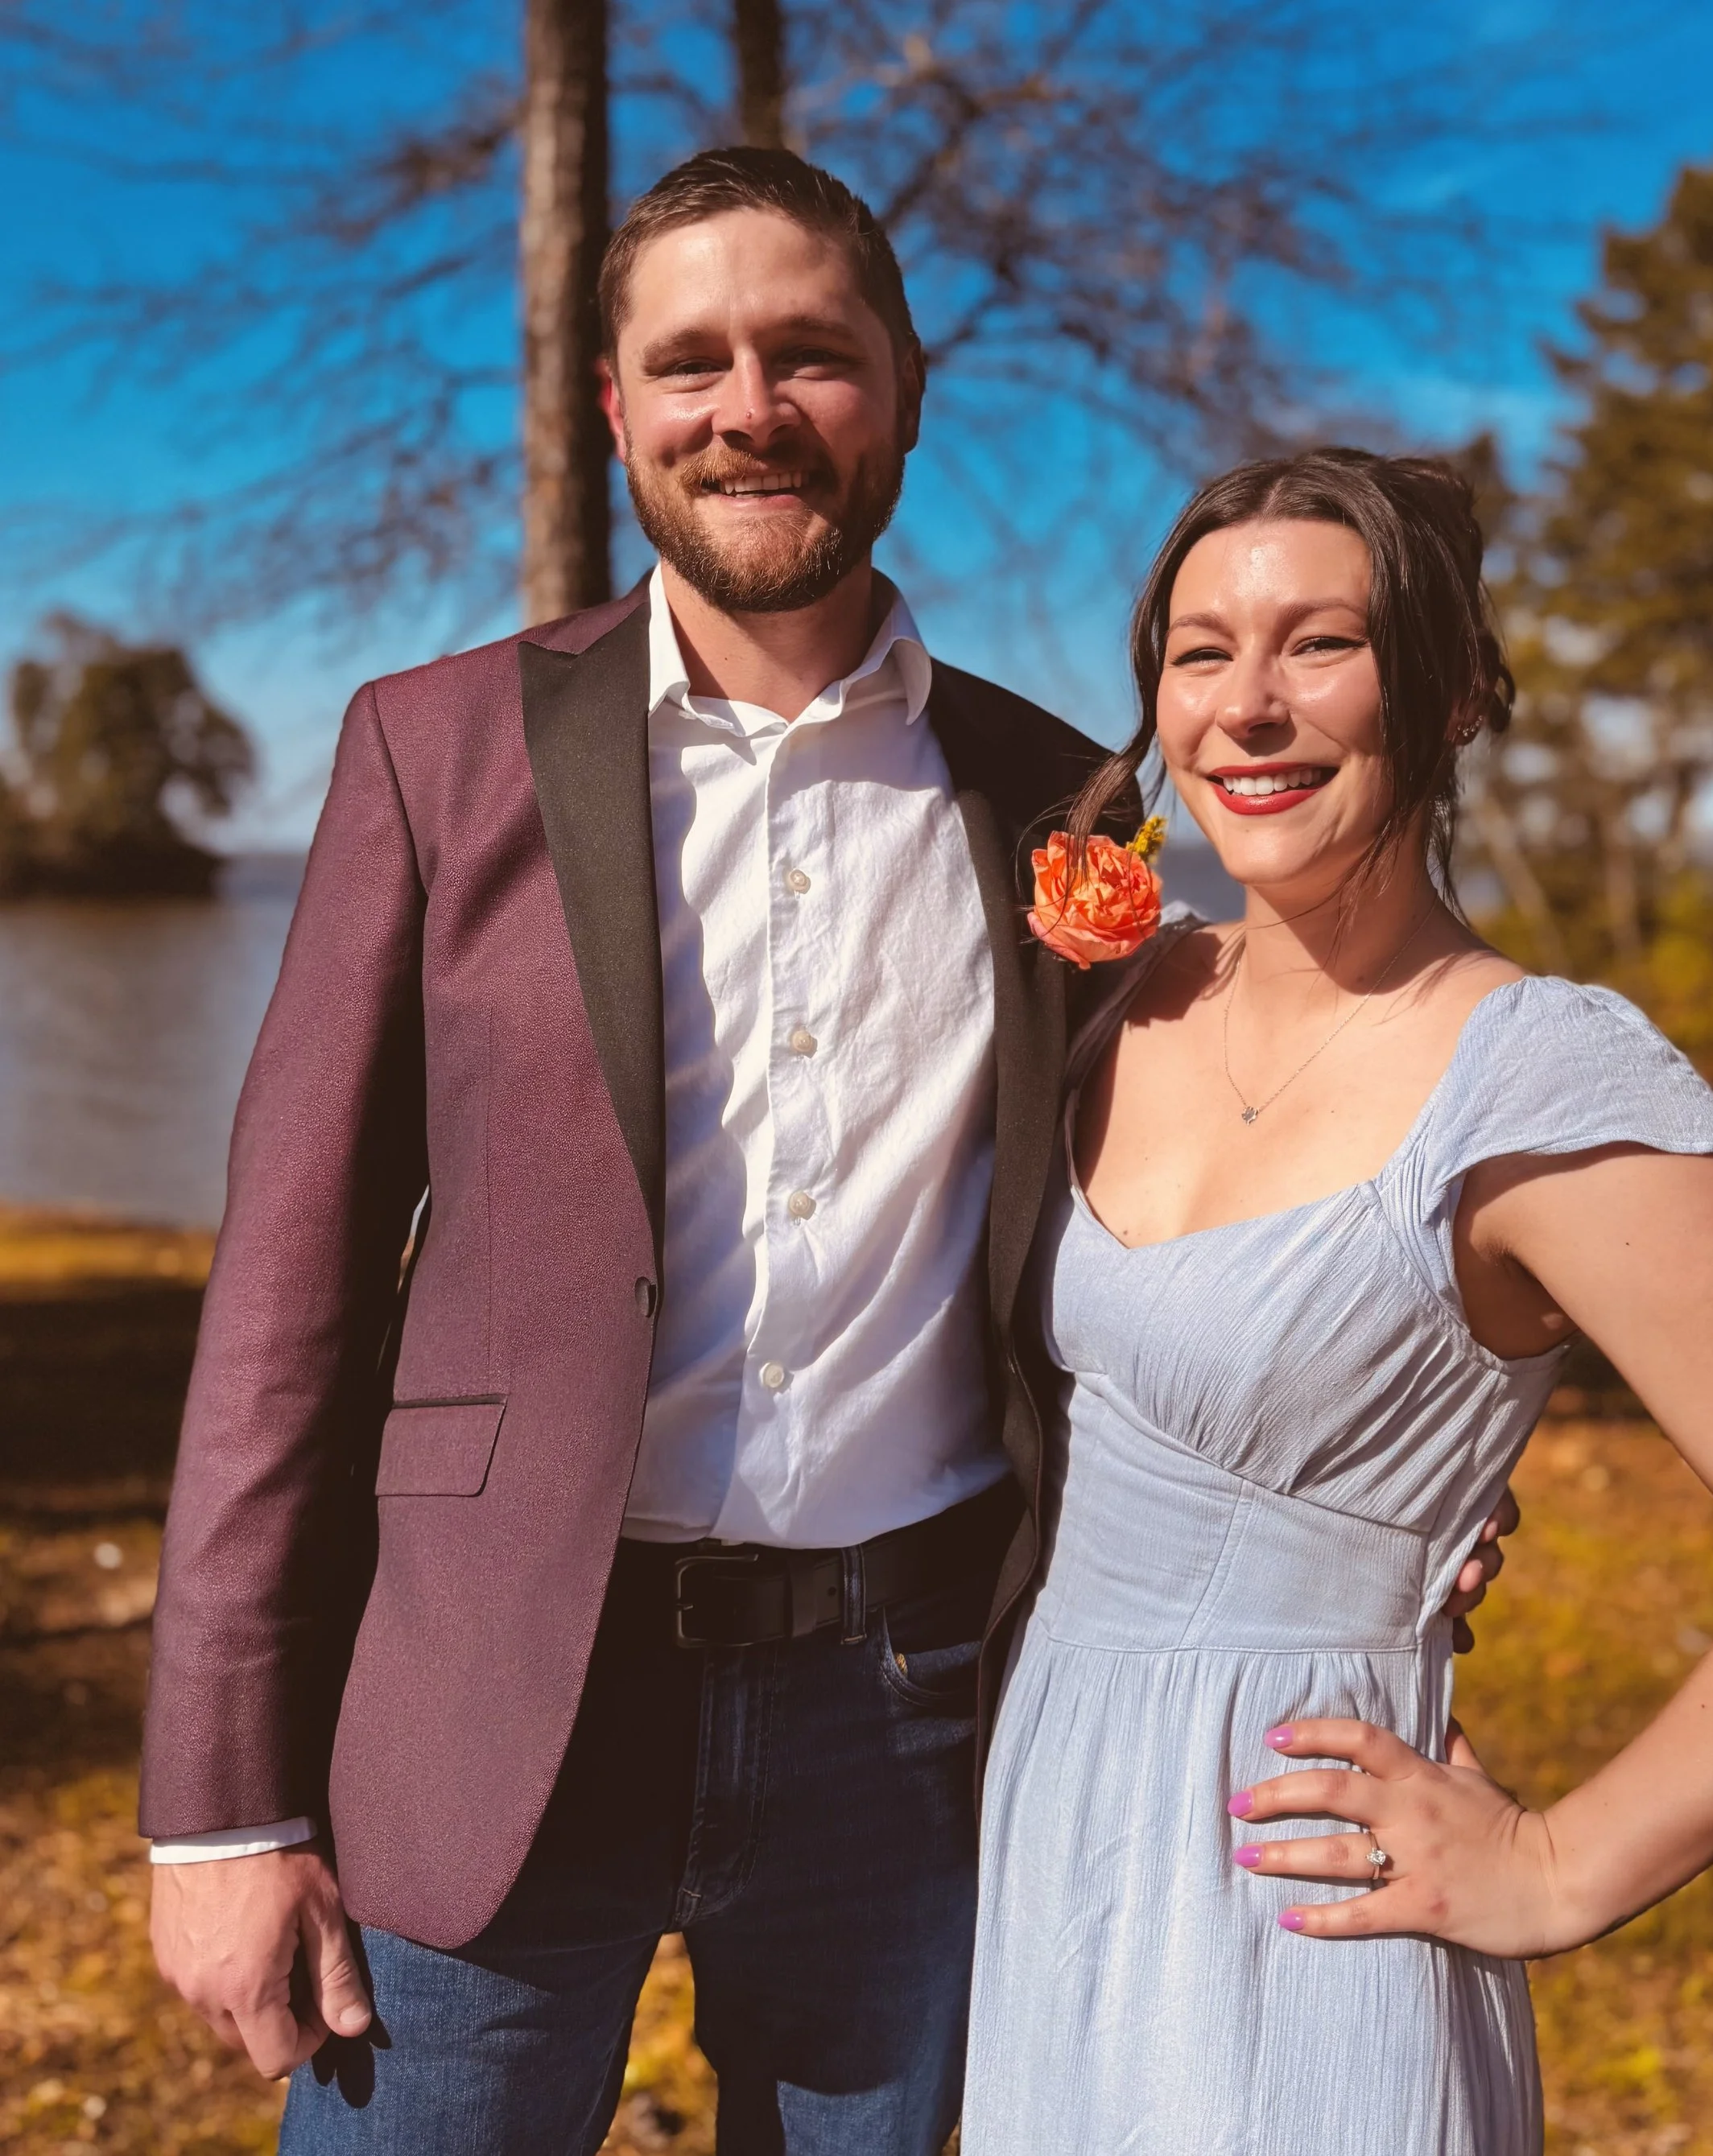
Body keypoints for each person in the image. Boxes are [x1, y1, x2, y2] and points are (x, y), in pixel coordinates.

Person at [138, 150, 1515, 2154]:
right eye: (687, 361)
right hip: (494, 1693)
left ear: (904, 382)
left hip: (913, 1719)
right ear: (614, 407)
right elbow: (285, 1295)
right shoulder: (428, 754)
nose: (747, 407)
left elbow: (1217, 1178)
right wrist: (222, 1803)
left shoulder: (1068, 800)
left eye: (809, 353)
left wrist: (1401, 1477)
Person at [961, 448, 1713, 2154]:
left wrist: (1554, 1864)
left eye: (1318, 646)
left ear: (1445, 699)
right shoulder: (1128, 997)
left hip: (1292, 1895)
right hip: (1052, 1835)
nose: (1248, 707)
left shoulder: (1542, 1081)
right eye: (1200, 653)